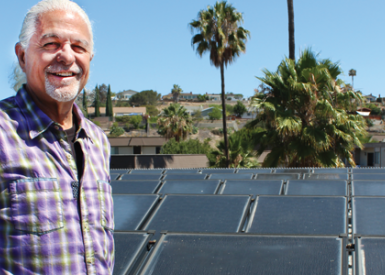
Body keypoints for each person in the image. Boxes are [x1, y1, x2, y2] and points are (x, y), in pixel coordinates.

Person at [0, 0, 114, 274]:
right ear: (23, 55)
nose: (67, 56)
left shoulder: (98, 142)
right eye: (51, 44)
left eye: (79, 47)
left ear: (89, 58)